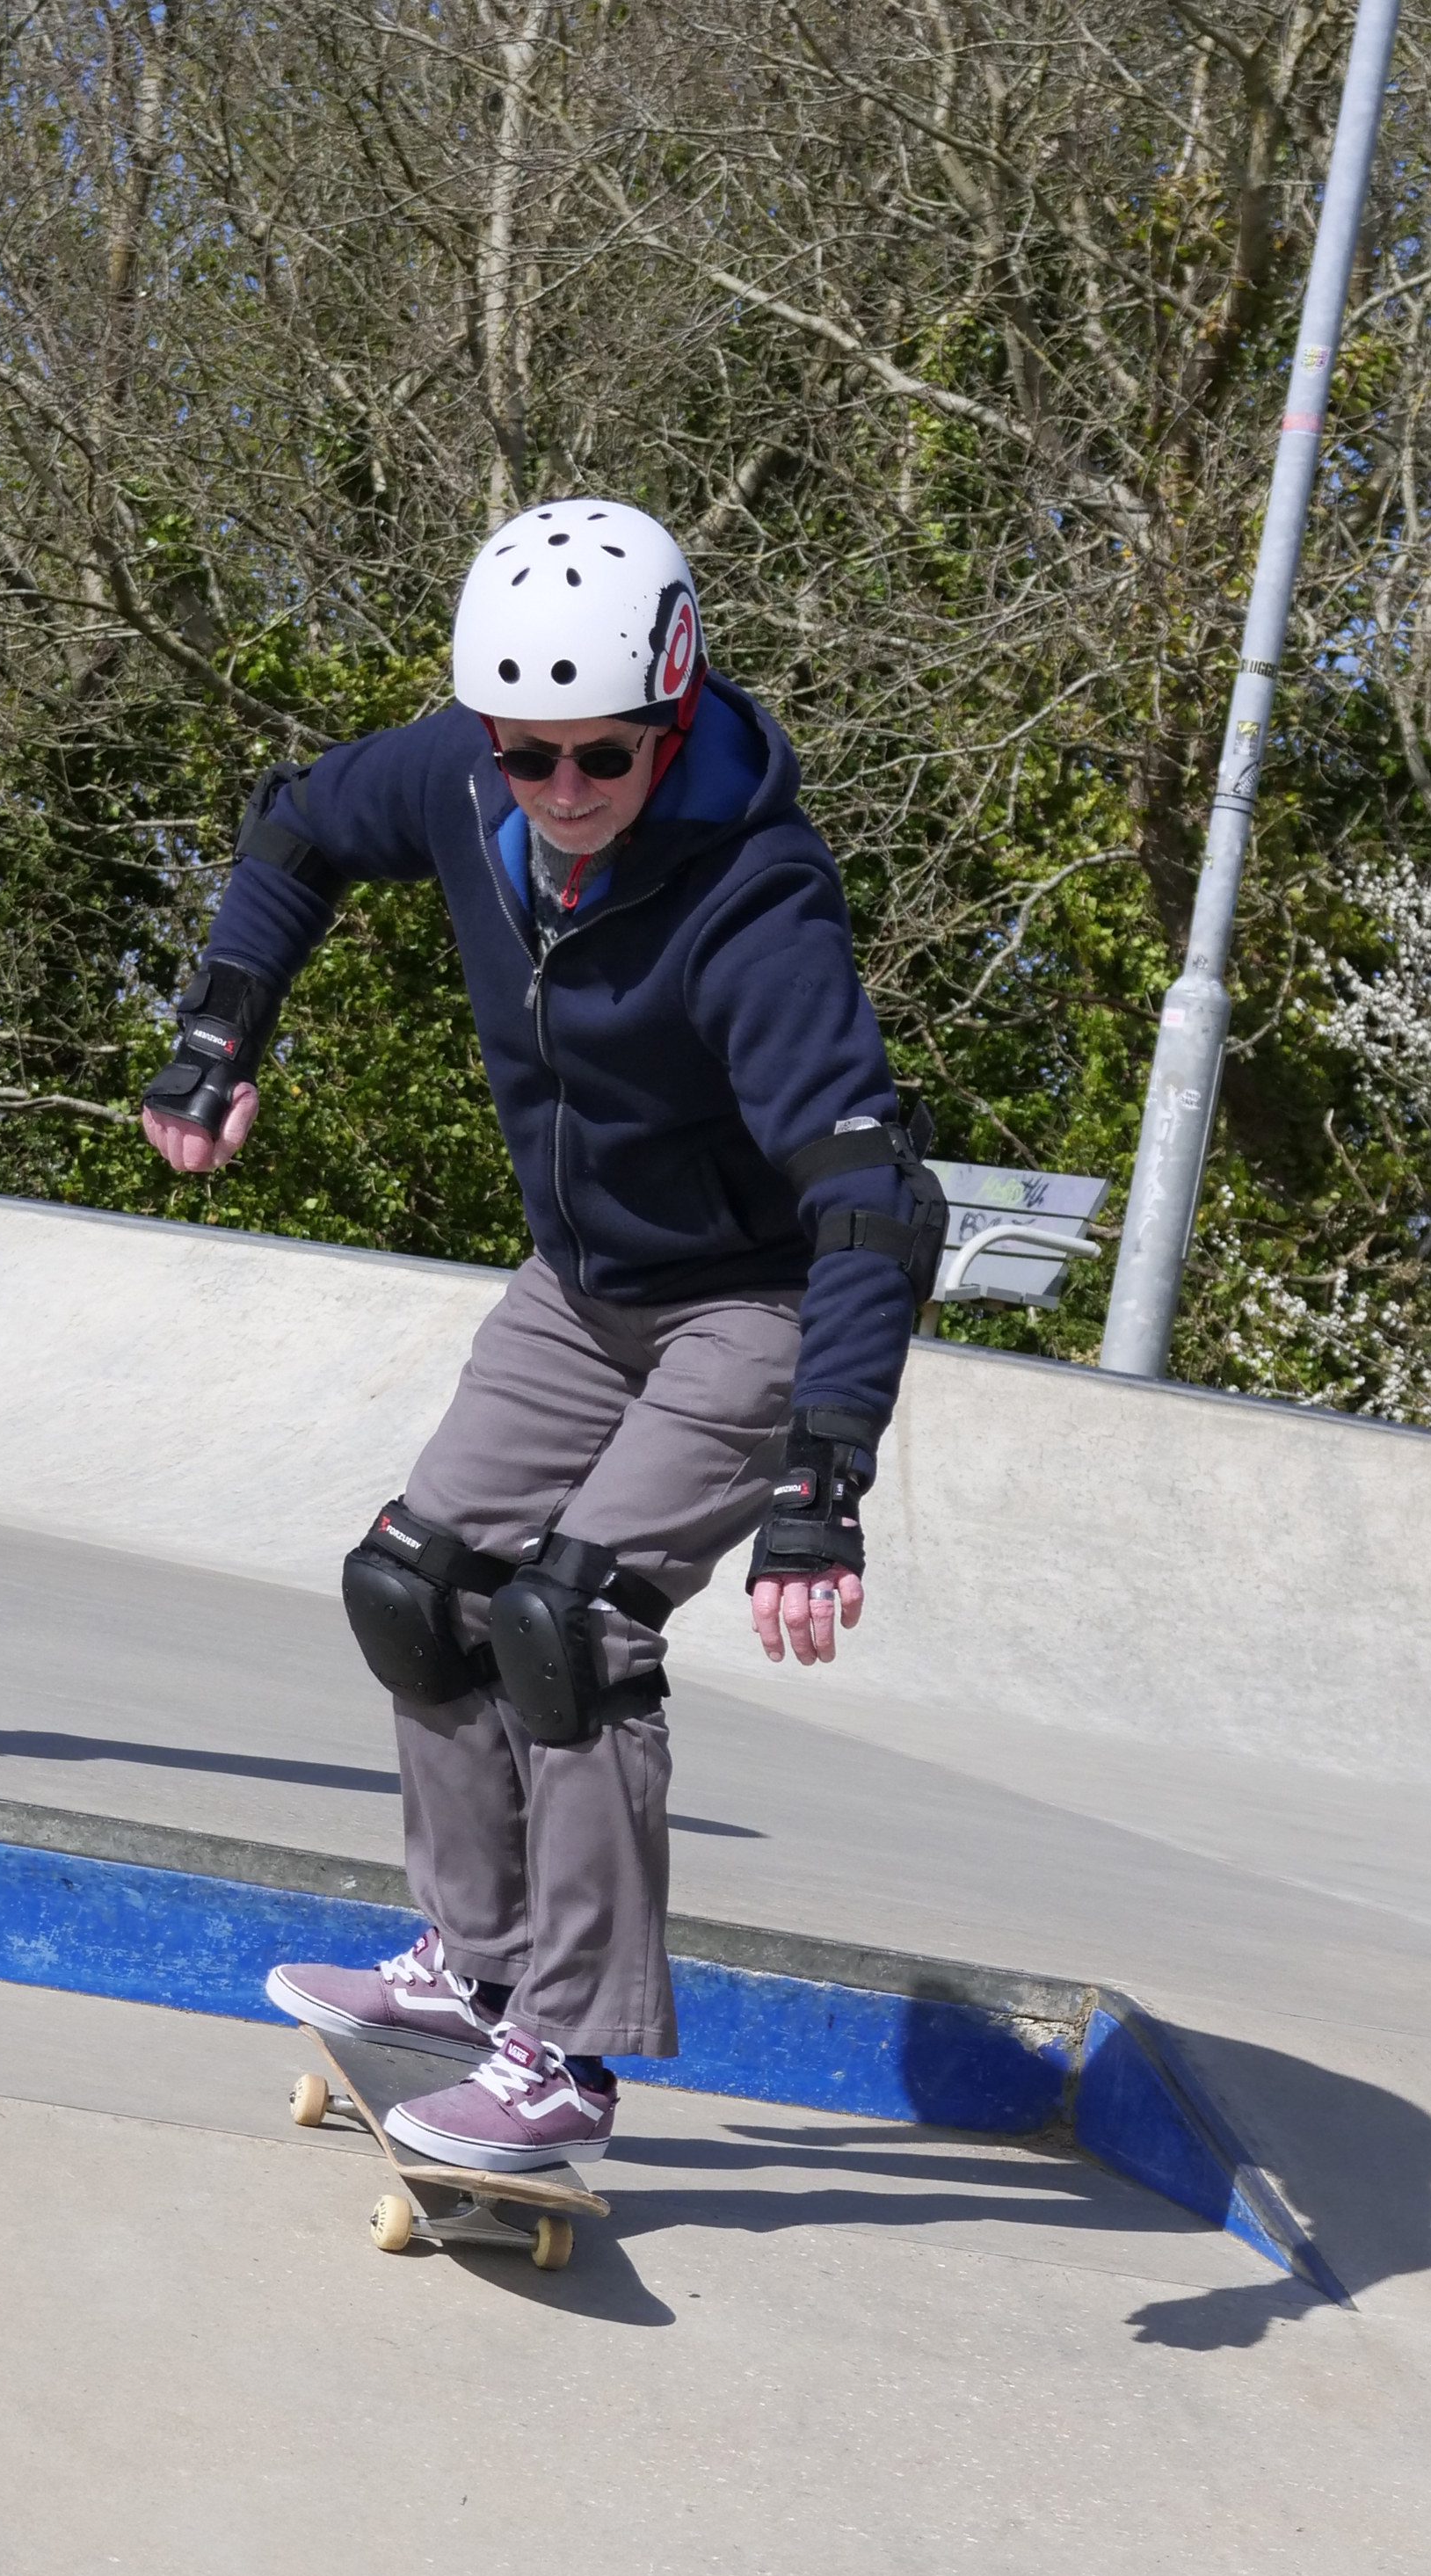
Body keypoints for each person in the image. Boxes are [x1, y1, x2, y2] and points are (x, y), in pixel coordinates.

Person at [142, 497, 945, 2173]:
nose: (563, 793)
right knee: (416, 1586)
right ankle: (472, 1965)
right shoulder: (458, 778)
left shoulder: (758, 901)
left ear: (673, 708)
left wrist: (821, 1476)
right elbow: (293, 825)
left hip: (755, 1301)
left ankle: (565, 2053)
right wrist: (221, 1025)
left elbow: (870, 1194)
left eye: (604, 756)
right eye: (527, 756)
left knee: (568, 1627)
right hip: (581, 1287)